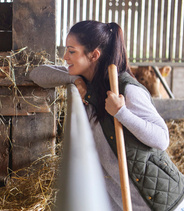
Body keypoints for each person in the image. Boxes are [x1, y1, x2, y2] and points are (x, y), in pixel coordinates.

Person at [29, 20, 184, 211]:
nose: (64, 57)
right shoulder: (89, 83)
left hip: (159, 202)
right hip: (124, 201)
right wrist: (75, 80)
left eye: (72, 51)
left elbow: (162, 139)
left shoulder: (126, 90)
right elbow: (37, 74)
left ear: (94, 55)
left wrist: (122, 113)